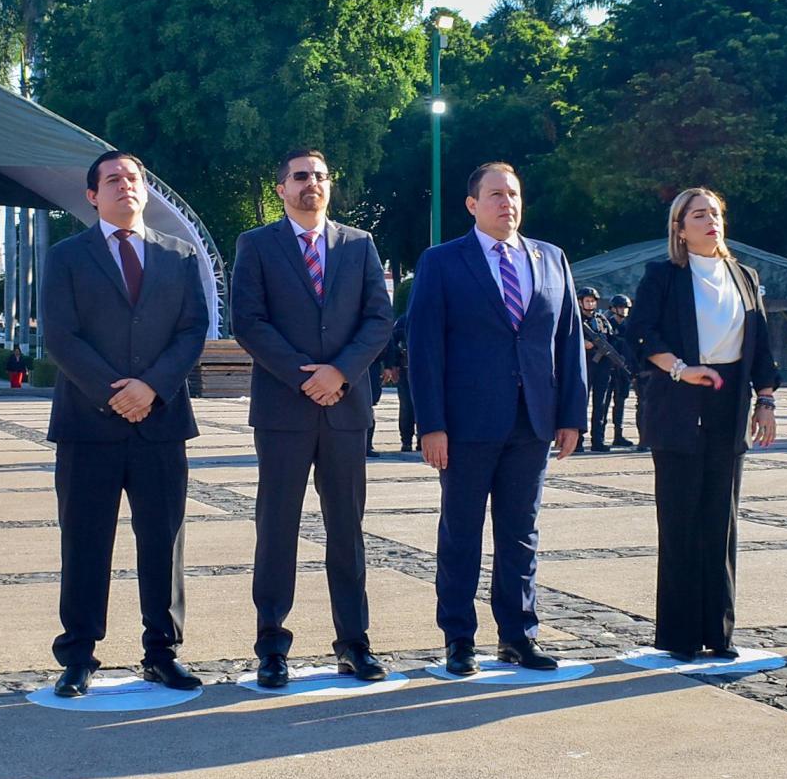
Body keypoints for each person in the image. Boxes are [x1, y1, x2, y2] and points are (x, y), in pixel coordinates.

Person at [40, 150, 210, 697]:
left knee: (163, 541)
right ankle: (79, 655)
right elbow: (61, 336)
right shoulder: (67, 257)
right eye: (113, 179)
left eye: (134, 177)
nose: (125, 185)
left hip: (160, 424)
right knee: (85, 542)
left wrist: (151, 388)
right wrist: (115, 393)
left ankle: (162, 651)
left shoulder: (180, 256)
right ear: (92, 195)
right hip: (88, 425)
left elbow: (192, 331)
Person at [406, 161, 585, 675]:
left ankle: (519, 635)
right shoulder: (442, 262)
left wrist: (571, 415)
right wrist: (431, 424)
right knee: (461, 534)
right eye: (495, 194)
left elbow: (569, 340)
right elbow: (424, 349)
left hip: (532, 423)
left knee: (521, 534)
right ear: (472, 204)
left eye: (513, 194)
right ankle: (459, 639)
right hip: (465, 426)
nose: (506, 202)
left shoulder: (551, 259)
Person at [230, 148, 394, 687]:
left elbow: (378, 319)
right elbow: (249, 322)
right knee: (276, 527)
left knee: (346, 528)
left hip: (345, 409)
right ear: (281, 189)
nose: (312, 185)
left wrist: (339, 373)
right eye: (300, 177)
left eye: (320, 176)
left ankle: (354, 643)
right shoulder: (256, 245)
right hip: (283, 410)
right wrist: (306, 377)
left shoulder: (359, 244)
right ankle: (272, 645)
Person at [622, 188, 779, 660]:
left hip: (728, 402)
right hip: (678, 400)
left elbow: (762, 344)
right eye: (698, 214)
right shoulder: (664, 275)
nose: (710, 220)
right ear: (680, 227)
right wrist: (680, 368)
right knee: (680, 519)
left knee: (720, 519)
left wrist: (765, 401)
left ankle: (719, 630)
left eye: (715, 213)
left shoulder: (745, 276)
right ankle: (681, 635)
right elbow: (642, 333)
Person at [576, 286, 616, 453]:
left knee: (600, 404)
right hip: (583, 366)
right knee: (580, 404)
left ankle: (598, 439)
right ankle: (577, 440)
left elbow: (613, 339)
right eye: (587, 301)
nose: (591, 304)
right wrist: (582, 343)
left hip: (602, 367)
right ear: (580, 302)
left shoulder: (602, 320)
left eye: (593, 301)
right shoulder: (574, 319)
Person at [383, 312, 416, 453]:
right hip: (406, 369)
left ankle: (422, 439)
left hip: (429, 370)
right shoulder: (404, 320)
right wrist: (393, 365)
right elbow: (392, 342)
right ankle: (406, 441)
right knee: (407, 407)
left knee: (428, 405)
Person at [608, 294, 638, 447]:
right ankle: (597, 438)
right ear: (613, 309)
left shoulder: (629, 327)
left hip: (624, 369)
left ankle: (618, 435)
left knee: (620, 402)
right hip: (607, 370)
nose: (624, 310)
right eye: (621, 307)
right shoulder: (607, 324)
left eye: (626, 307)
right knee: (602, 405)